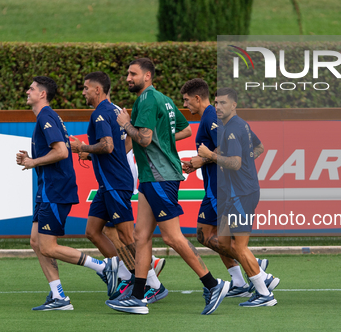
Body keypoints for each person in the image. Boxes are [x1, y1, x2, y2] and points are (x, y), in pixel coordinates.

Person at [105, 58, 230, 315]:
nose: (128, 78)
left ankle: (213, 284)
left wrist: (125, 124)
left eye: (133, 74)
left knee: (172, 237)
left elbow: (143, 139)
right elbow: (184, 130)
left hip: (159, 175)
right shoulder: (161, 98)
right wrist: (159, 138)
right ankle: (138, 296)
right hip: (153, 177)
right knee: (141, 237)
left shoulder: (146, 100)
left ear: (147, 76)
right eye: (127, 74)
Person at [16, 76, 118, 311]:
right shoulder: (46, 117)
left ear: (42, 94)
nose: (27, 91)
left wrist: (33, 162)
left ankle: (103, 267)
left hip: (56, 189)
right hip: (48, 189)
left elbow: (61, 152)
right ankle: (58, 296)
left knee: (49, 246)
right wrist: (32, 160)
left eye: (31, 88)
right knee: (36, 242)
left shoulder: (46, 116)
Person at [70, 71, 165, 303]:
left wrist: (84, 147)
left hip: (115, 183)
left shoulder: (101, 113)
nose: (83, 92)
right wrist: (97, 156)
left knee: (126, 234)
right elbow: (124, 143)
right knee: (92, 231)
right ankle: (122, 273)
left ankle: (152, 282)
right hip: (109, 183)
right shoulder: (116, 110)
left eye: (85, 88)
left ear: (97, 90)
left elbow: (108, 146)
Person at [180, 79, 269, 298]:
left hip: (222, 188)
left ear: (197, 98)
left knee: (220, 238)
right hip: (216, 186)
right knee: (206, 235)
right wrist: (200, 161)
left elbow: (230, 147)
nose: (185, 105)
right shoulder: (216, 118)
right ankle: (241, 279)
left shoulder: (212, 117)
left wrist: (207, 158)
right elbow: (256, 146)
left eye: (186, 100)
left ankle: (258, 272)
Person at [198, 87, 279, 307]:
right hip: (236, 193)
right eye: (216, 103)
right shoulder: (237, 125)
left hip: (242, 194)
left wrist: (210, 155)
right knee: (224, 242)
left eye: (223, 103)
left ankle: (264, 293)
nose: (218, 107)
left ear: (234, 105)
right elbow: (259, 147)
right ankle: (261, 274)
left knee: (239, 246)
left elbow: (235, 162)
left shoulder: (233, 128)